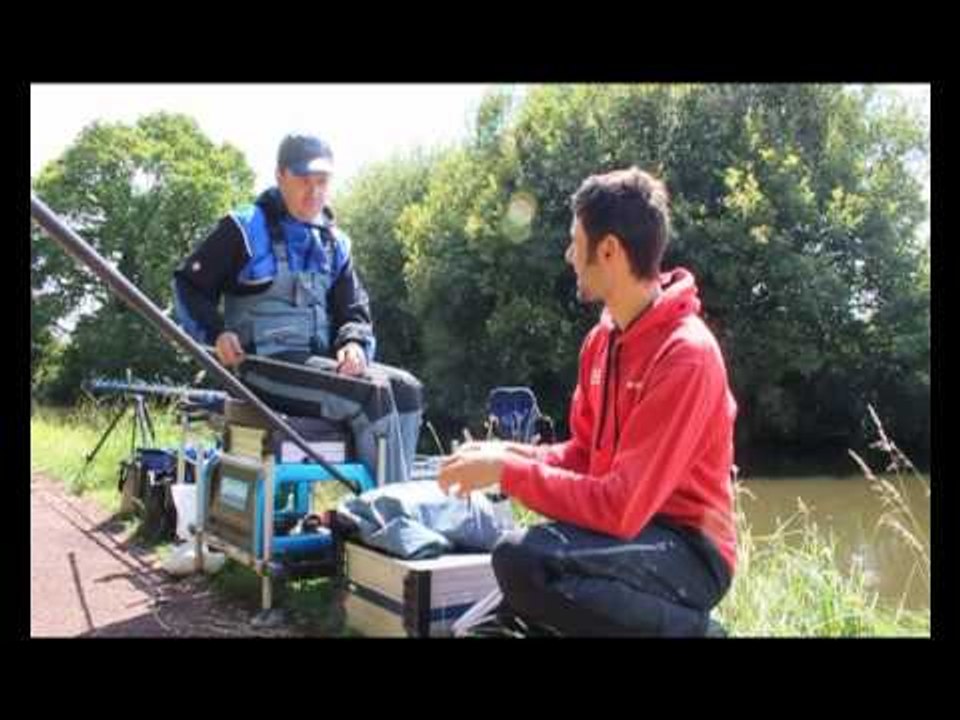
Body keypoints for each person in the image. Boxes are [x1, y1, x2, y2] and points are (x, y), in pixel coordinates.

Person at [438, 167, 737, 636]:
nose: (569, 255)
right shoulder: (600, 342)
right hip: (627, 534)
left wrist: (506, 472)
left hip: (689, 549)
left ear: (609, 250)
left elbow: (620, 507)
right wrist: (505, 452)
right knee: (475, 629)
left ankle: (695, 632)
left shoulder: (685, 355)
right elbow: (583, 456)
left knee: (521, 558)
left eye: (575, 242)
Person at [173, 132, 422, 483]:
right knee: (371, 395)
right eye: (304, 180)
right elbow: (188, 285)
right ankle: (388, 511)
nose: (314, 191)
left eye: (322, 181)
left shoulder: (335, 244)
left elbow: (354, 309)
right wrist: (216, 334)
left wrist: (353, 343)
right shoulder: (244, 228)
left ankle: (391, 499)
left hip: (317, 366)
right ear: (280, 176)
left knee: (407, 389)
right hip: (258, 366)